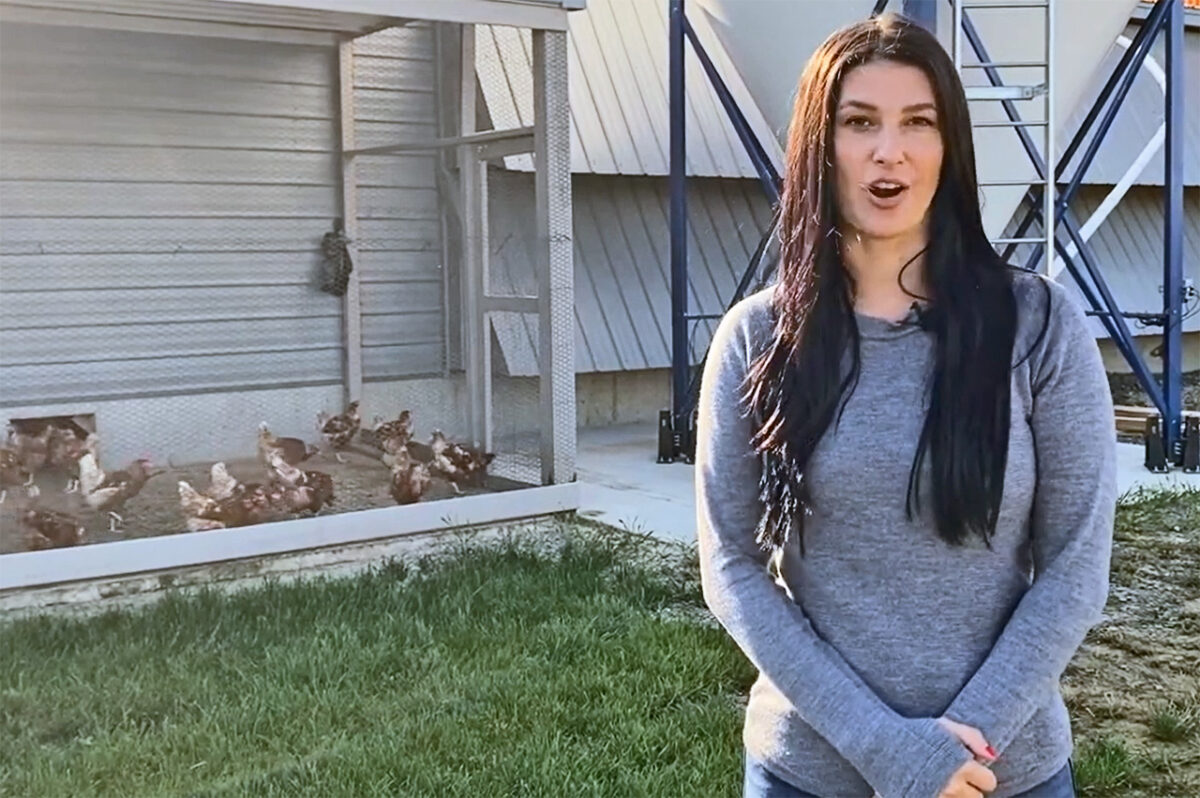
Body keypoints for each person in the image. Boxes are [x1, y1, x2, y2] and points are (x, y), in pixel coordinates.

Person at [694, 12, 1115, 798]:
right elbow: (731, 567)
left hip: (1001, 775)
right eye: (860, 122)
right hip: (811, 773)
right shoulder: (758, 338)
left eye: (918, 122)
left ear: (950, 146)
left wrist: (967, 742)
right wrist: (890, 751)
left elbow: (1076, 566)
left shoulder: (1038, 325)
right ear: (821, 146)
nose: (889, 151)